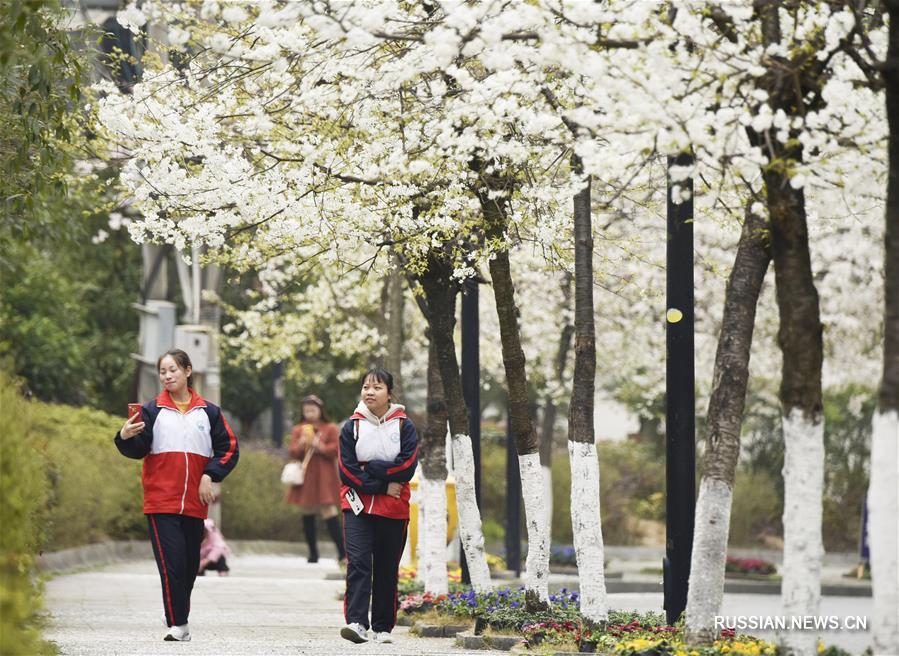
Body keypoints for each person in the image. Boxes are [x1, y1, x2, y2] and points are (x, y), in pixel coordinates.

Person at [114, 349, 239, 642]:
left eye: (172, 370)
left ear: (187, 371)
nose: (167, 376)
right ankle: (179, 624)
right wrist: (124, 436)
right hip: (160, 500)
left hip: (195, 504)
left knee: (187, 565)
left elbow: (229, 448)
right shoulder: (151, 411)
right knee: (171, 563)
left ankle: (174, 611)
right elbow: (137, 449)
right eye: (162, 371)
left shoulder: (209, 412)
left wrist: (210, 474)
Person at [338, 368, 418, 645]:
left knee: (386, 567)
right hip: (357, 506)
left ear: (389, 393)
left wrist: (371, 467)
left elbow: (406, 467)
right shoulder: (351, 426)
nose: (370, 392)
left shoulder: (404, 426)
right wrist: (382, 483)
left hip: (394, 508)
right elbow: (347, 472)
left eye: (377, 387)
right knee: (359, 564)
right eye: (366, 387)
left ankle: (383, 627)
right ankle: (357, 622)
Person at [286, 394, 345, 564]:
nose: (309, 413)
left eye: (312, 410)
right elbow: (292, 452)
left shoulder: (331, 428)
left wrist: (320, 446)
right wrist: (302, 443)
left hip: (324, 475)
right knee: (307, 511)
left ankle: (342, 553)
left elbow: (336, 450)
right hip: (306, 476)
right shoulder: (299, 429)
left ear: (320, 410)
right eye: (306, 411)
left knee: (329, 510)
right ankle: (312, 553)